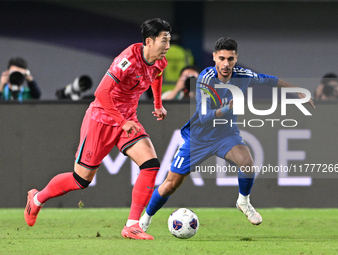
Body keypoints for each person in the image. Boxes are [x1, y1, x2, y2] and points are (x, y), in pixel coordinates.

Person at [139, 37, 315, 232]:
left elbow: (269, 80)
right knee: (169, 185)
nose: (226, 64)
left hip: (225, 135)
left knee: (247, 163)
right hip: (199, 137)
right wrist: (227, 108)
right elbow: (204, 116)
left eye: (230, 59)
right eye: (221, 58)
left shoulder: (243, 75)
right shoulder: (205, 79)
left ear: (236, 58)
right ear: (214, 57)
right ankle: (144, 220)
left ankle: (243, 202)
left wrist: (297, 91)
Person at [24, 18, 171, 240]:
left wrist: (157, 104)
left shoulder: (160, 61)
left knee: (151, 165)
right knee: (80, 180)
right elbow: (101, 93)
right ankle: (36, 199)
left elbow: (156, 76)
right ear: (149, 41)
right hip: (101, 119)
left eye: (169, 40)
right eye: (164, 41)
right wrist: (121, 122)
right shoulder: (126, 61)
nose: (167, 46)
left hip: (127, 119)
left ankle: (132, 225)